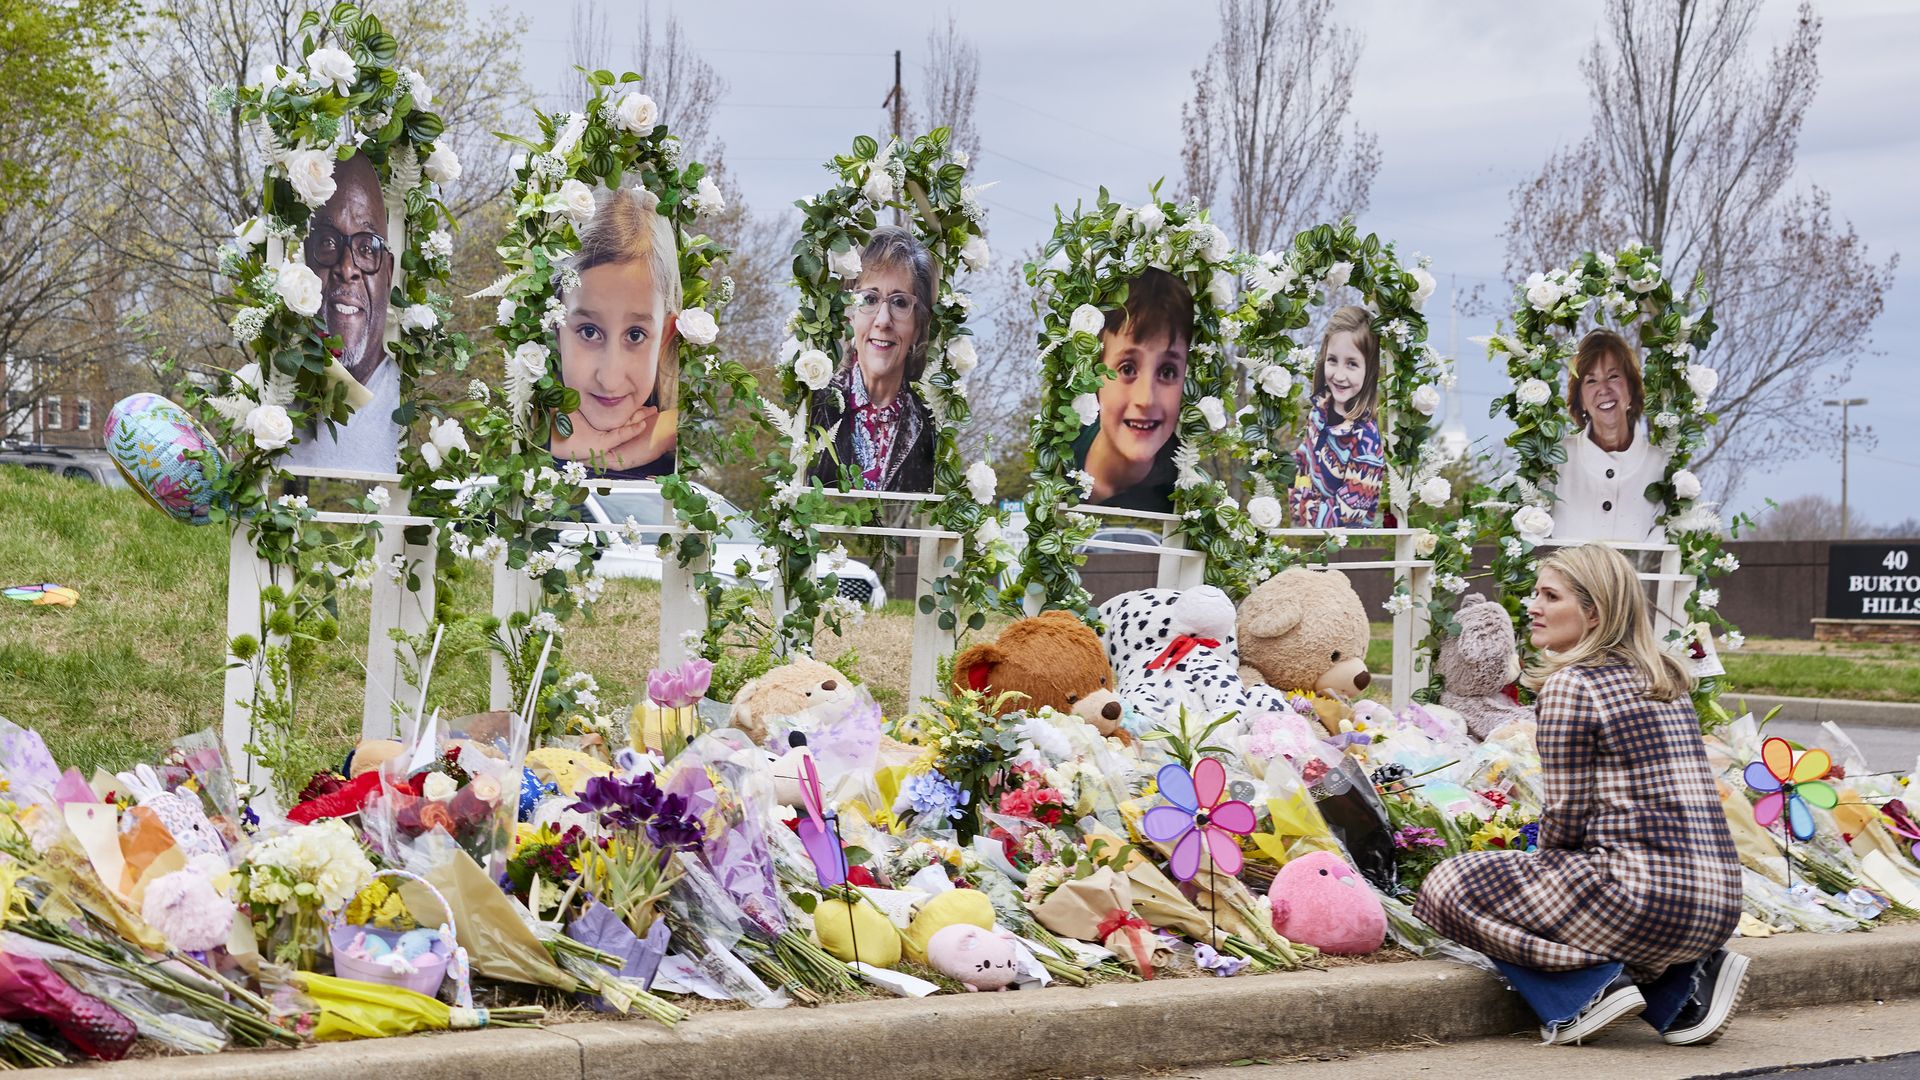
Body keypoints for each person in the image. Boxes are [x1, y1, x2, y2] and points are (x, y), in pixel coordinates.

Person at [1413, 544, 1747, 1047]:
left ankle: (1587, 993)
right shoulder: (1666, 679)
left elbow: (1566, 817)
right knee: (1557, 887)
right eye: (1536, 594)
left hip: (1643, 901)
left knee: (1447, 886)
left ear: (1594, 613)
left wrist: (1534, 880)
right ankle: (1684, 987)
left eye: (1551, 596)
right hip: (1719, 901)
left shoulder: (1573, 685)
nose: (1533, 606)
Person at [550, 186, 680, 479]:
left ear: (664, 336)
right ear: (555, 326)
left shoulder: (678, 462)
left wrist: (668, 431)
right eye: (589, 332)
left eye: (635, 335)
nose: (609, 379)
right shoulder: (521, 445)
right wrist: (545, 432)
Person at [286, 151, 400, 472]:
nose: (347, 268)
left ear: (388, 273)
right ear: (307, 259)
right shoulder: (277, 395)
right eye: (327, 242)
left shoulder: (410, 404)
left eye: (367, 248)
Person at [807, 225, 936, 493]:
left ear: (918, 326)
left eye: (900, 302)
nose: (883, 320)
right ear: (849, 315)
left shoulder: (930, 425)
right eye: (869, 299)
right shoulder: (813, 406)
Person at [1070, 268, 1191, 514]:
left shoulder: (1185, 489)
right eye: (1127, 369)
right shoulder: (1062, 456)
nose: (1146, 399)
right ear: (1093, 374)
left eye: (1167, 372)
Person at [1551, 329, 1670, 541]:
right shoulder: (1557, 459)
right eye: (1591, 381)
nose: (1604, 389)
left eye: (1613, 376)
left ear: (1631, 388)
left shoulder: (1660, 465)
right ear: (1580, 399)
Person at [1289, 306, 1384, 528]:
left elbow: (1346, 519)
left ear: (1369, 370)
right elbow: (1304, 458)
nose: (1339, 375)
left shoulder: (1366, 441)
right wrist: (1283, 470)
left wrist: (1298, 504)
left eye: (1352, 364)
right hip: (1306, 537)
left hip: (1342, 545)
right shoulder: (1319, 411)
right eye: (1333, 360)